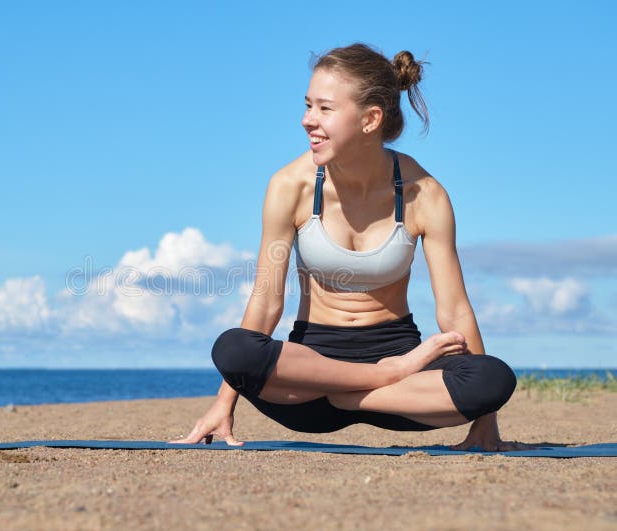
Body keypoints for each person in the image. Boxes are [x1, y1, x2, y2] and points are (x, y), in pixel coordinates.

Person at [173, 43, 525, 452]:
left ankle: (364, 389)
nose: (307, 121)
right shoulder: (289, 188)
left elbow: (455, 310)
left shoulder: (424, 195)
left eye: (324, 109)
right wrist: (223, 403)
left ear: (369, 119)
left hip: (398, 384)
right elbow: (267, 302)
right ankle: (374, 380)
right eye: (307, 106)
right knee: (232, 349)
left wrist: (486, 425)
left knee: (493, 379)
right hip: (314, 381)